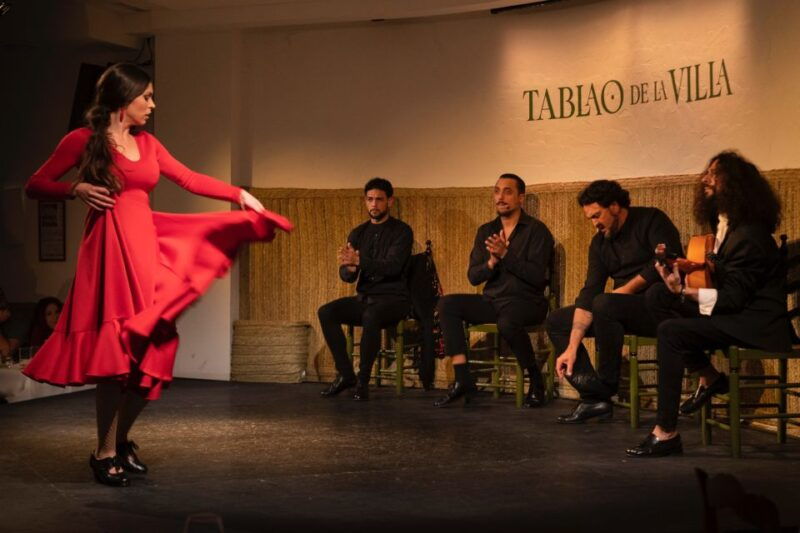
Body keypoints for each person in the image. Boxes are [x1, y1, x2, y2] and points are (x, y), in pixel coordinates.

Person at [22, 63, 292, 487]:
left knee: (156, 347)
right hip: (107, 253)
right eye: (146, 96)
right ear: (123, 99)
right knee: (116, 356)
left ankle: (120, 440)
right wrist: (74, 189)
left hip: (144, 248)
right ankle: (105, 451)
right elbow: (35, 184)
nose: (152, 103)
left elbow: (188, 178)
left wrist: (238, 193)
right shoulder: (83, 141)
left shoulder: (148, 144)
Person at [626, 151, 791, 457]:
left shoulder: (750, 235)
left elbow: (732, 299)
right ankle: (709, 375)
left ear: (736, 185)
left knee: (672, 332)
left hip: (754, 323)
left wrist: (685, 294)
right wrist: (680, 283)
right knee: (657, 295)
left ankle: (666, 432)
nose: (705, 178)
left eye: (714, 174)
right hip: (735, 312)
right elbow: (727, 286)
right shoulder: (727, 226)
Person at [547, 180, 683, 423]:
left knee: (605, 304)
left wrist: (620, 293)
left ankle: (606, 385)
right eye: (590, 218)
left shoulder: (650, 220)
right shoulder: (600, 243)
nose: (595, 223)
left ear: (615, 206)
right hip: (614, 313)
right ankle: (594, 398)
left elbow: (664, 262)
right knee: (558, 320)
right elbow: (590, 291)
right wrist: (571, 346)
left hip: (659, 307)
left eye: (597, 215)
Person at [434, 173, 554, 407]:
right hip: (493, 301)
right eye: (497, 191)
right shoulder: (486, 231)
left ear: (521, 198)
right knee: (447, 304)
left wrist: (506, 255)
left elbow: (537, 276)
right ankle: (462, 379)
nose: (500, 197)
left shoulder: (536, 231)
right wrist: (491, 262)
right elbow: (473, 276)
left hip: (527, 301)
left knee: (507, 322)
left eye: (507, 191)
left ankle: (535, 379)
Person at [318, 178, 413, 401]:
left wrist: (360, 261)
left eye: (379, 199)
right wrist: (350, 269)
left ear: (389, 201)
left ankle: (363, 381)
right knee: (326, 312)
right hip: (365, 297)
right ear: (365, 202)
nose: (374, 205)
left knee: (372, 314)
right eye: (370, 199)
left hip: (395, 299)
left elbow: (393, 267)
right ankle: (346, 374)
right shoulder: (358, 233)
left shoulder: (402, 231)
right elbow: (347, 275)